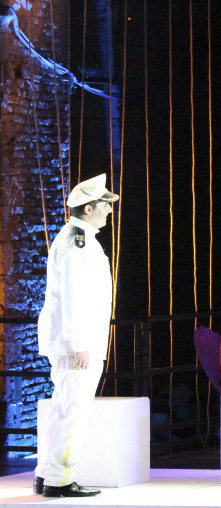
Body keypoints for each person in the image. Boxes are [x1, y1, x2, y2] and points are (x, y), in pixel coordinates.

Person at [33, 174, 119, 497]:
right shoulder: (77, 241)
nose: (108, 210)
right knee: (72, 410)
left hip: (73, 342)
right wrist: (80, 343)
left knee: (63, 408)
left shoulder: (78, 237)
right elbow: (73, 295)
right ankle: (60, 479)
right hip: (77, 344)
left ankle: (47, 473)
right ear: (88, 209)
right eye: (104, 205)